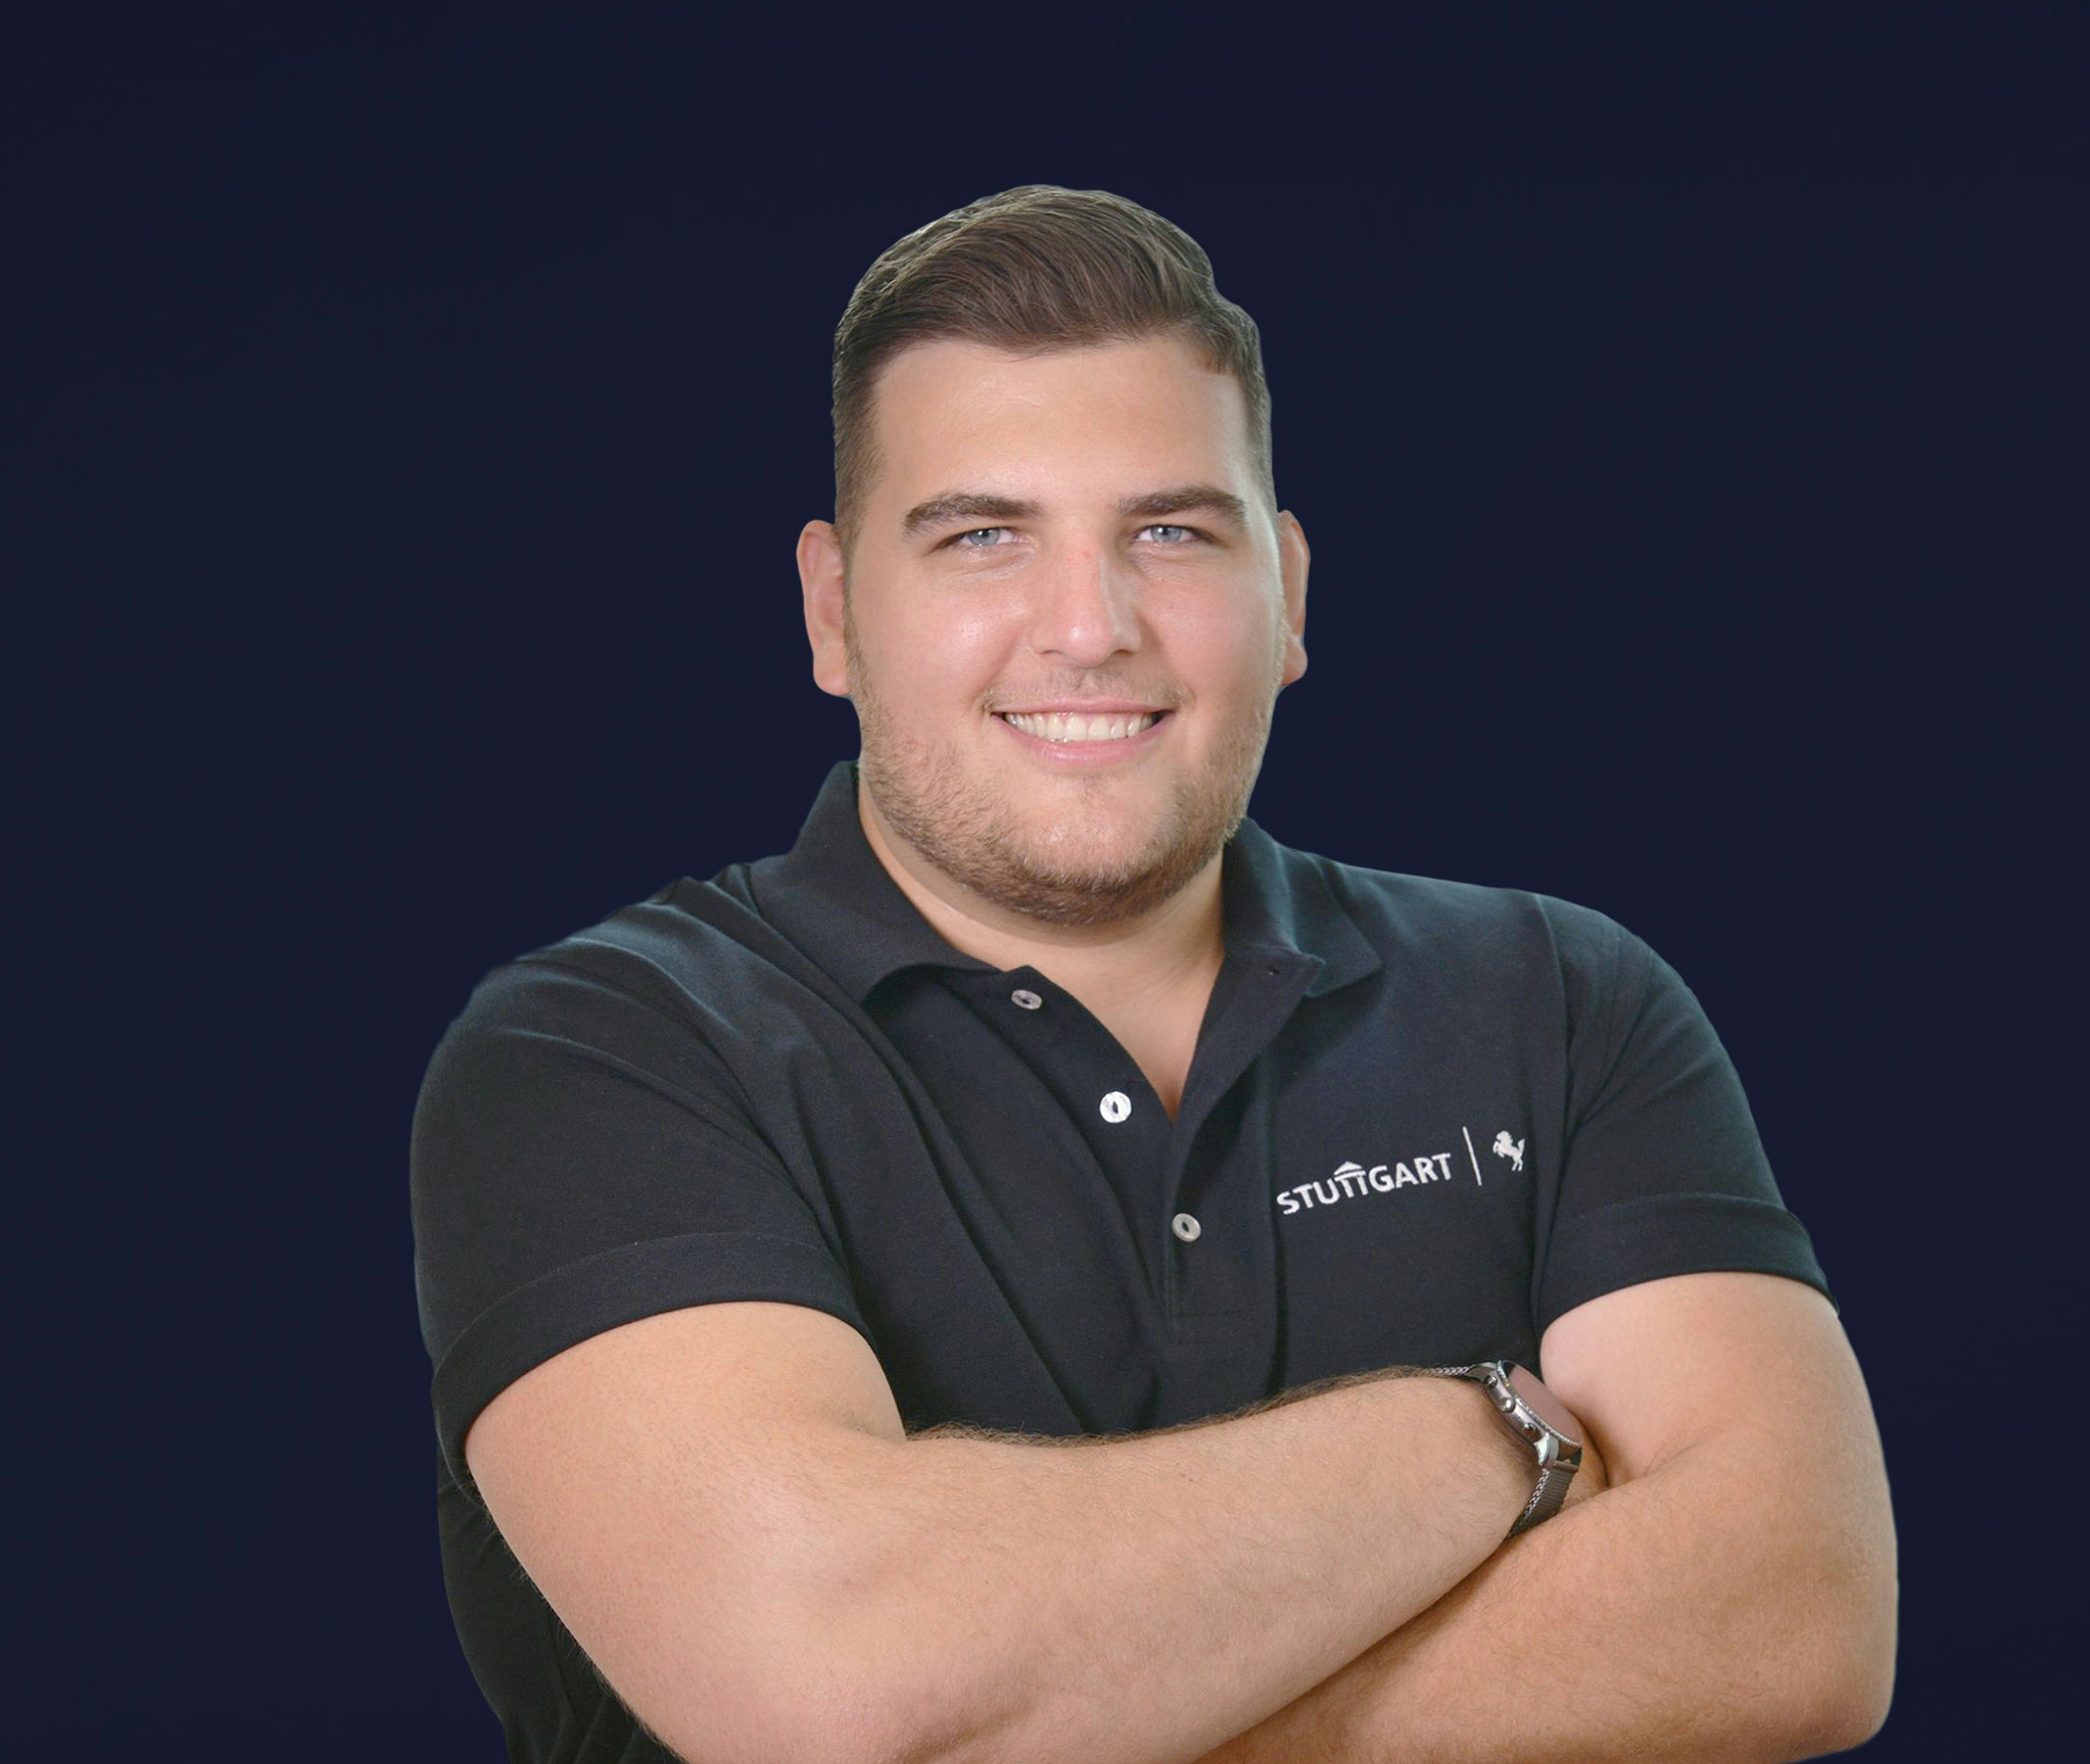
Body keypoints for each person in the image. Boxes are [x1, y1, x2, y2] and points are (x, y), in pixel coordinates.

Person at [412, 184, 1896, 1764]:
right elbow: (830, 1683)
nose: (1089, 627)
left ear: (1293, 593)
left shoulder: (1560, 997)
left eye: (1171, 533)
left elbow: (1794, 1616)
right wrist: (1495, 1435)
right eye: (984, 537)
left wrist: (1065, 1719)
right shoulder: (603, 1054)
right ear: (835, 611)